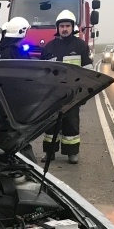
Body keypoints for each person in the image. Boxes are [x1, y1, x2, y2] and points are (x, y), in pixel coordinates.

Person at [39, 10, 93, 164]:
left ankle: (72, 153)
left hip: (72, 93)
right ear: (57, 28)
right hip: (53, 94)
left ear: (72, 27)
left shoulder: (80, 46)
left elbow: (88, 71)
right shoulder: (49, 47)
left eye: (67, 26)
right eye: (62, 26)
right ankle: (49, 153)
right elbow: (42, 72)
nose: (64, 29)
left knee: (71, 123)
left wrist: (84, 93)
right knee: (50, 125)